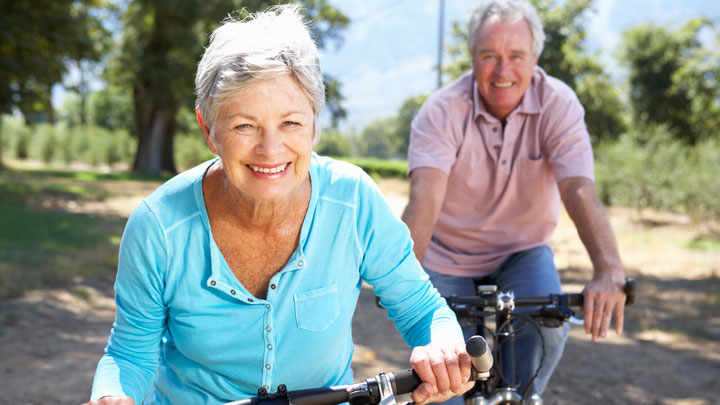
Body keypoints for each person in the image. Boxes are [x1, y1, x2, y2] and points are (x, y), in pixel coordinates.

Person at [85, 6, 475, 405]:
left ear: (314, 124)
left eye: (291, 123)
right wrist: (111, 396)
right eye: (244, 126)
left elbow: (422, 309)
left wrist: (443, 345)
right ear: (209, 129)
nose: (271, 150)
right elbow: (130, 353)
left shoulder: (353, 200)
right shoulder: (158, 227)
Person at [401, 0, 628, 401]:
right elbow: (425, 197)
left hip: (522, 252)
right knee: (445, 369)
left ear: (535, 57)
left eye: (516, 56)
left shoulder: (559, 104)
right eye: (490, 56)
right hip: (447, 256)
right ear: (472, 57)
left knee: (547, 328)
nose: (503, 71)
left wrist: (608, 269)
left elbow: (578, 189)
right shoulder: (441, 110)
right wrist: (401, 278)